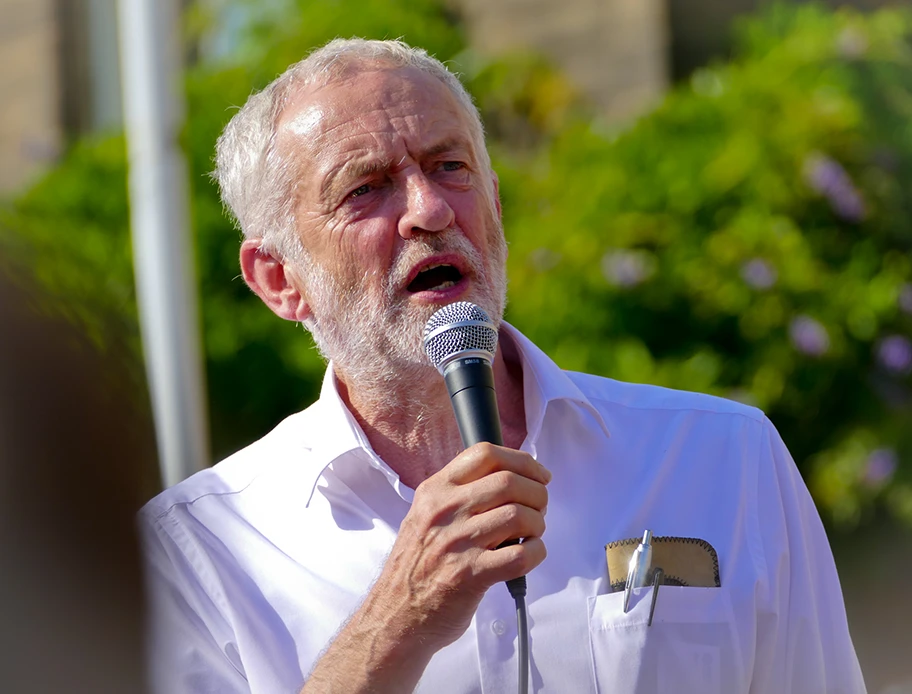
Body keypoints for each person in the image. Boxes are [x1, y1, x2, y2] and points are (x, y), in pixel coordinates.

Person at [139, 38, 867, 694]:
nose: (428, 210)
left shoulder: (722, 458)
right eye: (365, 189)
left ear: (493, 204)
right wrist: (398, 620)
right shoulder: (199, 552)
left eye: (448, 167)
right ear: (278, 279)